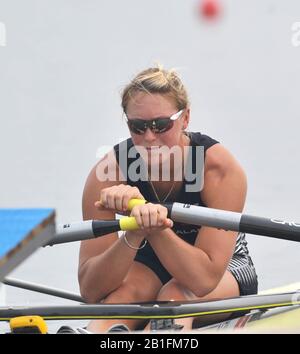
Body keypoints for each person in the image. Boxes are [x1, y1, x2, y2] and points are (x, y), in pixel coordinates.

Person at [78, 65, 258, 333]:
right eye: (137, 127)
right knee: (122, 297)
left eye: (161, 125)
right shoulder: (108, 174)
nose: (149, 137)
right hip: (148, 265)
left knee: (175, 294)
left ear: (185, 118)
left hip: (221, 270)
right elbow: (92, 290)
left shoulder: (219, 170)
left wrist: (152, 226)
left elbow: (202, 280)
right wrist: (134, 233)